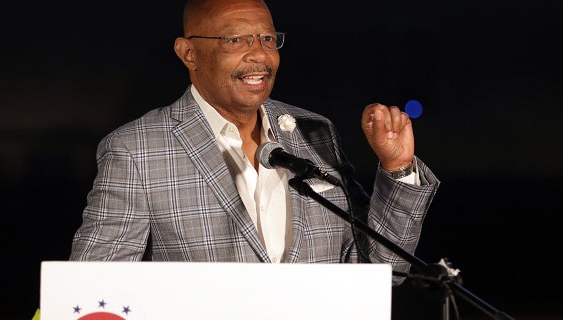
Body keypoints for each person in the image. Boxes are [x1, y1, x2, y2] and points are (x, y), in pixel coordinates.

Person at [69, 0, 440, 285]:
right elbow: (95, 284)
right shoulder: (136, 149)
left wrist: (397, 169)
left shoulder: (314, 133)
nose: (260, 55)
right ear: (189, 53)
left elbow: (382, 273)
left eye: (267, 39)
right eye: (235, 40)